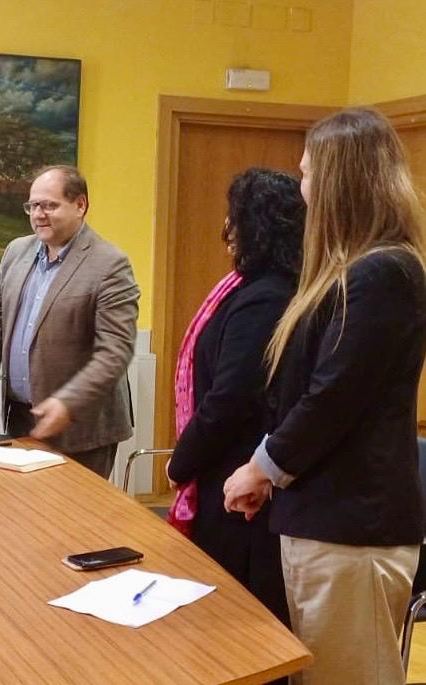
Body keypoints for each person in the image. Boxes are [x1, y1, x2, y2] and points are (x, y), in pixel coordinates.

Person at [223, 108, 426, 684]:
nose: (303, 188)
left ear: (341, 182)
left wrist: (262, 467)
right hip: (322, 514)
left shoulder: (383, 272)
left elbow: (332, 397)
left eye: (310, 174)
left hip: (351, 524)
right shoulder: (355, 270)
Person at [166, 168, 304, 628]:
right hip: (227, 475)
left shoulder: (267, 297)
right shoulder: (250, 288)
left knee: (231, 620)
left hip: (239, 487)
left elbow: (230, 397)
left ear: (256, 226)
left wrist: (179, 462)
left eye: (234, 219)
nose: (227, 231)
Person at [0, 165, 140, 477]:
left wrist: (66, 403)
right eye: (33, 205)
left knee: (75, 522)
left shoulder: (110, 265)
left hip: (82, 427)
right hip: (22, 420)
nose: (39, 214)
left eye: (50, 205)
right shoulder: (16, 251)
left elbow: (115, 352)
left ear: (80, 205)